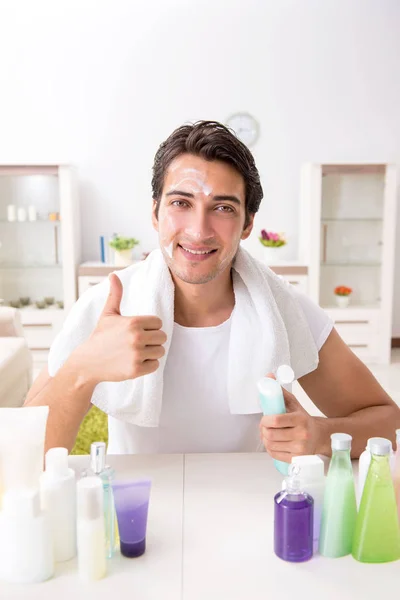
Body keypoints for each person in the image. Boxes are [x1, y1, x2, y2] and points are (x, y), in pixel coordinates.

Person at [25, 121, 400, 460]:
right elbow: (23, 451)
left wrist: (320, 434)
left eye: (222, 207)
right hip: (136, 517)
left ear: (248, 224)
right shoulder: (106, 309)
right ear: (155, 213)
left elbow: (387, 421)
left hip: (249, 512)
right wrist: (83, 368)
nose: (198, 230)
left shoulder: (285, 310)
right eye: (180, 203)